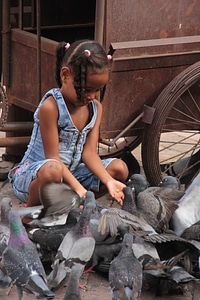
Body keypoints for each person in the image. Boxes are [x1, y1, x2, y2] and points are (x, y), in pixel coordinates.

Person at [8, 39, 128, 207]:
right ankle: (31, 211)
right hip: (34, 177)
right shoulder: (51, 107)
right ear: (65, 75)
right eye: (86, 89)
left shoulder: (95, 108)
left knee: (119, 168)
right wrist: (81, 190)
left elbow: (89, 154)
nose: (92, 96)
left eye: (97, 90)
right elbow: (53, 158)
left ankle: (67, 200)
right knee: (53, 170)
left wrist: (108, 181)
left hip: (70, 175)